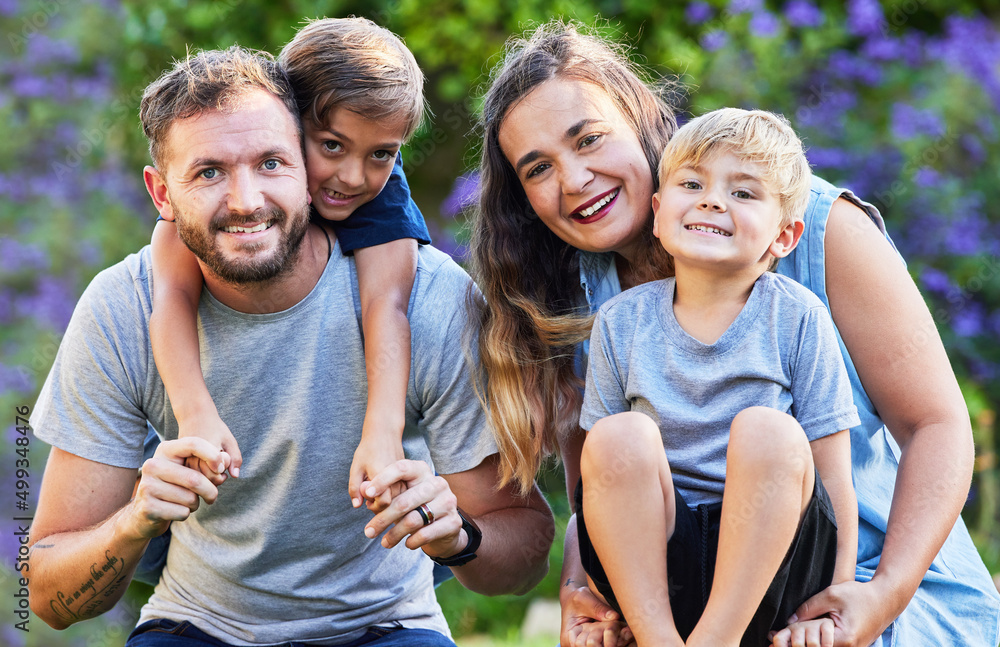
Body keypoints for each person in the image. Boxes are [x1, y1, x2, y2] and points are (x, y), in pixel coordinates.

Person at [468, 20, 1000, 647]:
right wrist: (580, 590)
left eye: (588, 139)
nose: (574, 179)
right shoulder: (581, 295)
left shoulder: (812, 228)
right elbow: (603, 478)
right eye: (538, 169)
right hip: (681, 603)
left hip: (849, 584)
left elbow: (935, 425)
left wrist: (882, 594)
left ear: (641, 124)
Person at [27, 45, 554, 646]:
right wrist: (133, 523)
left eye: (271, 163)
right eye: (208, 172)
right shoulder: (124, 306)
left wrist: (459, 536)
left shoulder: (430, 295)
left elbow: (526, 551)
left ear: (304, 170)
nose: (246, 199)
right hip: (199, 626)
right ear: (161, 195)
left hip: (384, 626)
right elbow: (48, 595)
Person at [577, 108, 859, 647]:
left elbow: (833, 474)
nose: (712, 200)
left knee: (769, 431)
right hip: (659, 569)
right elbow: (602, 482)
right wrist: (602, 599)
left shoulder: (797, 316)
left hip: (772, 568)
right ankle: (657, 637)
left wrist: (837, 600)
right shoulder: (622, 320)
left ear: (784, 236)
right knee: (618, 435)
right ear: (658, 214)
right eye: (692, 183)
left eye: (744, 193)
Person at [148, 17, 428, 510]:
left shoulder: (385, 202)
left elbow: (388, 307)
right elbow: (170, 296)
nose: (353, 177)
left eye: (382, 154)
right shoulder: (207, 202)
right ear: (291, 124)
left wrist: (383, 433)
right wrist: (194, 414)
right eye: (332, 146)